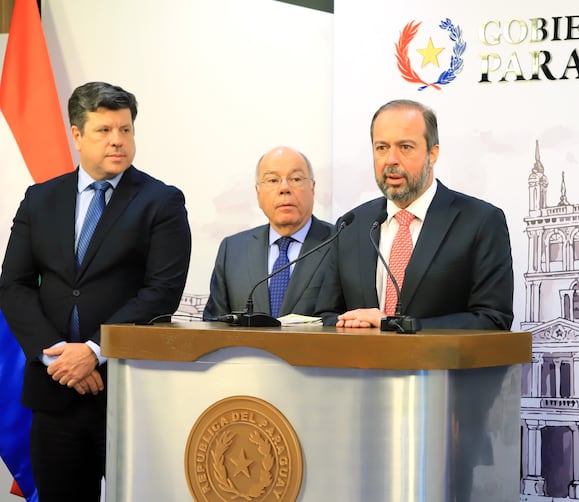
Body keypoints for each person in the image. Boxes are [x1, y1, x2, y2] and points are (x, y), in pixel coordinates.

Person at [0, 81, 192, 501]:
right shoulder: (40, 199)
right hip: (54, 391)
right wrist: (55, 353)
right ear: (76, 134)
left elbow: (161, 292)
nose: (118, 141)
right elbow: (13, 285)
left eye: (126, 130)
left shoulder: (161, 202)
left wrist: (93, 349)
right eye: (105, 130)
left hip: (127, 389)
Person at [315, 99, 513, 330]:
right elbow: (326, 315)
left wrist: (397, 326)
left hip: (441, 365)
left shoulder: (480, 221)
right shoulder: (352, 225)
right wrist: (354, 325)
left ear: (432, 153)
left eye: (405, 147)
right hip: (364, 365)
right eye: (381, 148)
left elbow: (493, 319)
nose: (391, 159)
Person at [203, 146, 333, 320]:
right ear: (258, 193)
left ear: (313, 188)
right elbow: (214, 325)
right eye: (272, 180)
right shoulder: (233, 250)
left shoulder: (339, 242)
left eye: (295, 179)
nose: (284, 188)